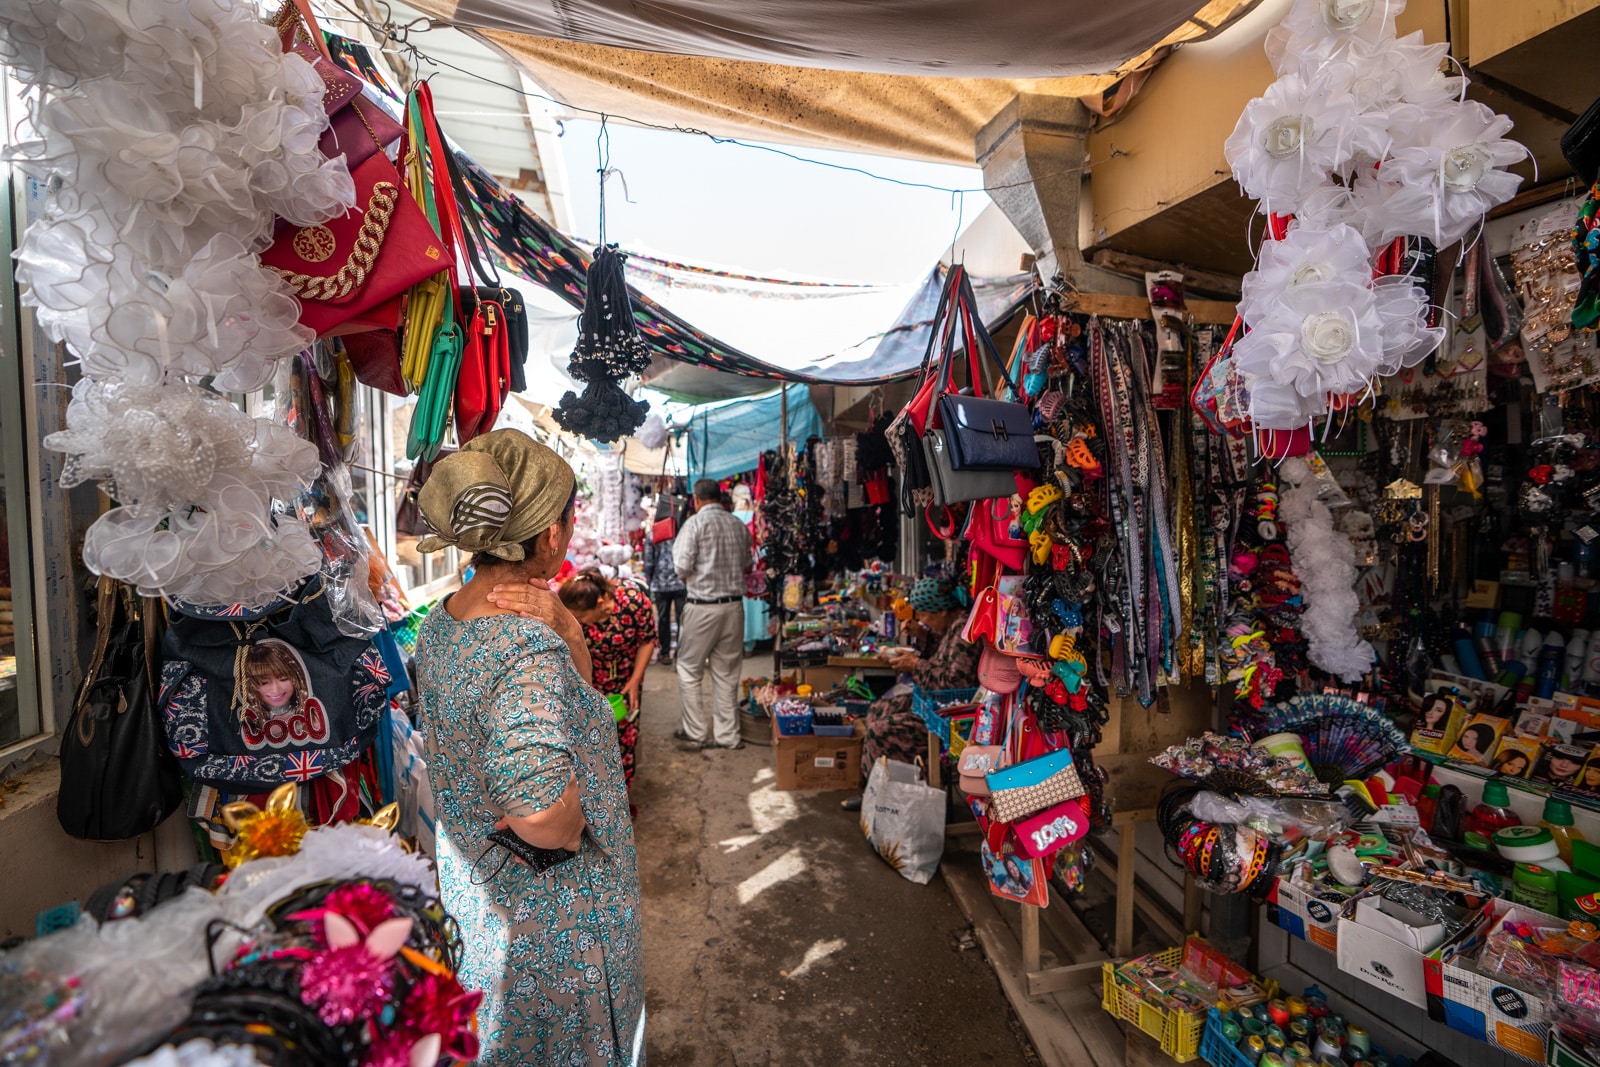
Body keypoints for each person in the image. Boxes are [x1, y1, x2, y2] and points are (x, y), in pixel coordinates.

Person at [410, 430, 643, 1066]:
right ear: (548, 537)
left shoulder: (440, 622)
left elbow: (559, 715)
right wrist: (568, 832)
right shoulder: (524, 650)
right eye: (569, 520)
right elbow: (542, 817)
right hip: (555, 927)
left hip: (480, 901)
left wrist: (570, 634)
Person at [844, 577, 978, 811]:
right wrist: (923, 637)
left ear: (942, 610)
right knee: (877, 709)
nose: (923, 621)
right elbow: (940, 657)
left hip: (949, 714)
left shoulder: (964, 631)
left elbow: (954, 681)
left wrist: (915, 665)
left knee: (879, 731)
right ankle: (874, 789)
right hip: (929, 702)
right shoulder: (951, 626)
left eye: (925, 616)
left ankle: (893, 797)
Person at [556, 568, 657, 791]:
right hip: (589, 679)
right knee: (592, 740)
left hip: (626, 680)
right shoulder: (573, 619)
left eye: (581, 617)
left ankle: (623, 797)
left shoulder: (633, 602)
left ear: (601, 602)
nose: (578, 621)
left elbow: (647, 640)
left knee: (626, 739)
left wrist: (635, 680)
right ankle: (597, 797)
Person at [672, 478, 752, 750]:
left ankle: (695, 733)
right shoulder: (738, 525)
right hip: (733, 608)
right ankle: (728, 736)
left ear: (696, 499)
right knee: (727, 673)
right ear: (722, 498)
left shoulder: (694, 524)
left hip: (703, 606)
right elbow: (748, 565)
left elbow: (681, 568)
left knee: (689, 669)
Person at [642, 523, 686, 665]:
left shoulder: (654, 533)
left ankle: (665, 652)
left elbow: (648, 560)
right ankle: (681, 652)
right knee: (682, 619)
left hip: (660, 583)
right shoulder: (681, 529)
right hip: (681, 582)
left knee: (663, 618)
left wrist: (649, 581)